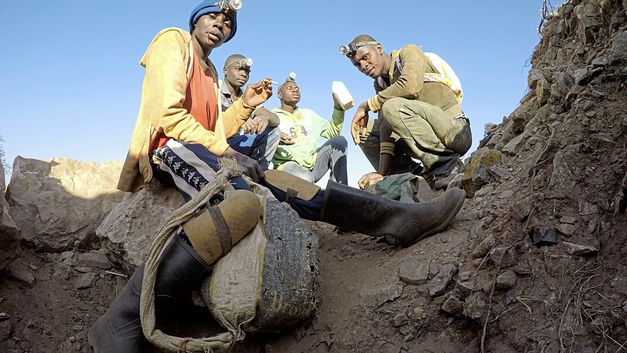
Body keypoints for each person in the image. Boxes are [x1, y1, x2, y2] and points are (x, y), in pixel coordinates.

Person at [91, 3, 467, 351]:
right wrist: (227, 151)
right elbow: (170, 118)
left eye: (228, 25)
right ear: (196, 19)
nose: (221, 27)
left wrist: (243, 106)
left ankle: (394, 218)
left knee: (280, 183)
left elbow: (213, 130)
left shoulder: (206, 70)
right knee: (242, 201)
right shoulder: (172, 41)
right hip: (168, 149)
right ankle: (124, 317)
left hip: (198, 146)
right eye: (214, 18)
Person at [340, 35, 472, 190]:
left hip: (455, 132)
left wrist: (366, 106)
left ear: (379, 49)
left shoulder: (409, 52)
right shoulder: (381, 84)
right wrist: (382, 172)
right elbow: (386, 127)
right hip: (424, 135)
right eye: (357, 64)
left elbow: (410, 86)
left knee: (391, 106)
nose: (363, 65)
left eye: (365, 57)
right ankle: (415, 175)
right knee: (364, 131)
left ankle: (447, 167)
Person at [271, 77, 349, 185]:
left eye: (297, 88)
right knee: (304, 177)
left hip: (314, 166)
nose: (295, 90)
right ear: (280, 95)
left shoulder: (308, 114)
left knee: (339, 141)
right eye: (290, 88)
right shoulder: (273, 116)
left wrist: (338, 107)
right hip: (287, 167)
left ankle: (339, 190)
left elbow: (332, 132)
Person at [220, 54, 281, 170]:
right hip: (213, 142)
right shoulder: (214, 87)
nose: (243, 74)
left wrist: (265, 118)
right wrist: (239, 119)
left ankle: (258, 173)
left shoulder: (246, 95)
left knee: (274, 132)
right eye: (238, 69)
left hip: (234, 145)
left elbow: (276, 119)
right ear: (225, 70)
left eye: (247, 71)